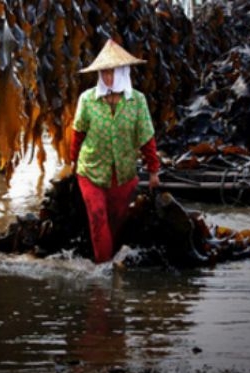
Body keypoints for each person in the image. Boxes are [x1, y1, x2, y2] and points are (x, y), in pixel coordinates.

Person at [71, 38, 160, 264]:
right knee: (98, 216)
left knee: (118, 221)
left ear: (123, 72)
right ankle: (103, 270)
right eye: (104, 73)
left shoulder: (137, 101)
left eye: (112, 73)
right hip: (91, 171)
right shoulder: (88, 100)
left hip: (124, 175)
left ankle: (114, 267)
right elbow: (78, 133)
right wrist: (72, 163)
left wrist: (153, 171)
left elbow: (146, 137)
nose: (108, 78)